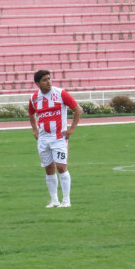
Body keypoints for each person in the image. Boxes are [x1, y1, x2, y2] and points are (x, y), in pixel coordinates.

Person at [28, 70, 82, 208]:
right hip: (43, 139)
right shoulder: (34, 98)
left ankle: (66, 200)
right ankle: (54, 200)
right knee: (49, 169)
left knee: (61, 167)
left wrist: (71, 129)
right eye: (45, 80)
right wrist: (35, 129)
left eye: (49, 79)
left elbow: (77, 109)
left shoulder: (60, 93)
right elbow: (31, 113)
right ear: (38, 83)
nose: (49, 82)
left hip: (59, 138)